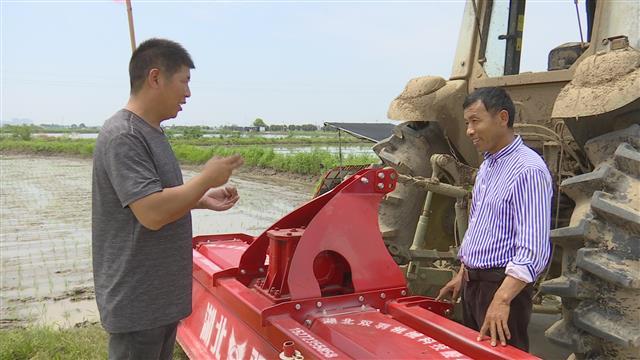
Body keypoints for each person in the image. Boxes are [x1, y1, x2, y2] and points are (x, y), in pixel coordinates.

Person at [92, 38, 244, 360]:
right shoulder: (124, 135)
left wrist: (202, 197)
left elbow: (157, 196)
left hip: (159, 298)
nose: (188, 94)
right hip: (139, 302)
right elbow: (150, 213)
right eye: (184, 82)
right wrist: (205, 178)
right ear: (156, 77)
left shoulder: (152, 131)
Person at [436, 87, 552, 352]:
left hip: (501, 287)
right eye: (467, 123)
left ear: (502, 118)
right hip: (474, 286)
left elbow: (532, 250)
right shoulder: (488, 165)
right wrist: (463, 274)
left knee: (500, 355)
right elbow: (480, 226)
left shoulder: (528, 170)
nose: (469, 131)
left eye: (475, 121)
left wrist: (502, 299)